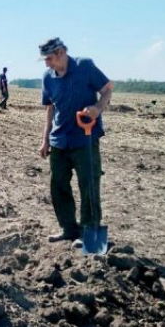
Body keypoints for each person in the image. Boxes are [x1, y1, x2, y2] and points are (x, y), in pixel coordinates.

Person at [38, 37, 113, 249]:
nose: (47, 63)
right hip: (59, 141)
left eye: (50, 58)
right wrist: (45, 140)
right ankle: (68, 230)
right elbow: (50, 109)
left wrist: (98, 108)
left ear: (61, 52)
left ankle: (92, 238)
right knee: (58, 186)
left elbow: (107, 88)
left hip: (85, 139)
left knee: (89, 186)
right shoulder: (48, 77)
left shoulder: (85, 66)